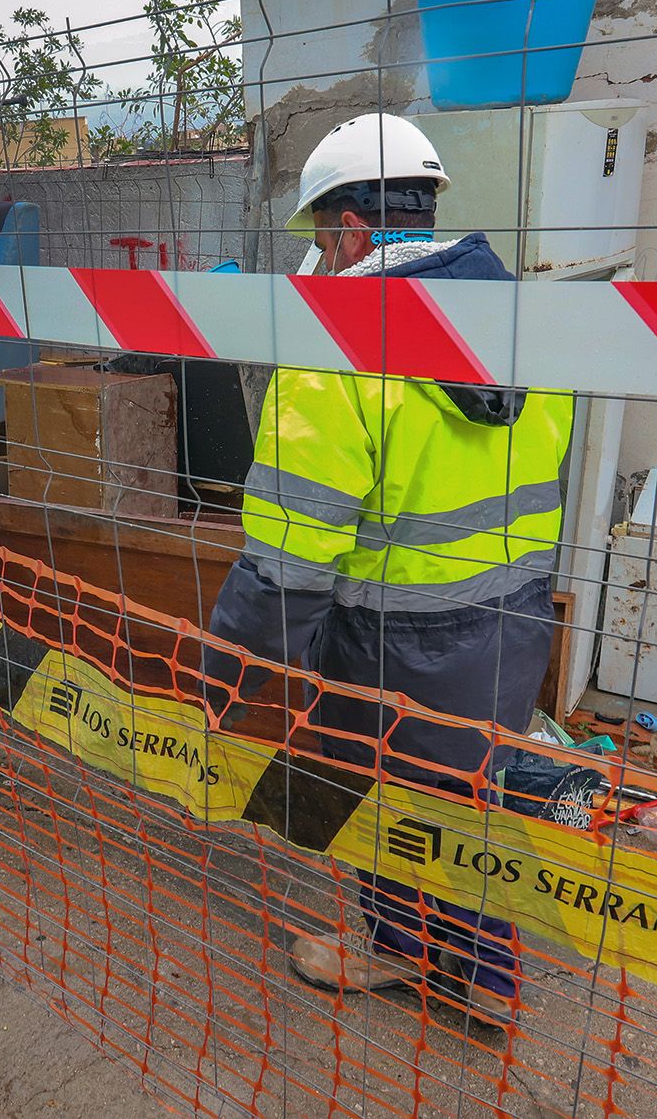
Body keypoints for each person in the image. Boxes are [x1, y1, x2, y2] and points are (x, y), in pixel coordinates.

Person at [204, 113, 573, 1029]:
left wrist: (219, 673)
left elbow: (289, 561)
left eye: (322, 239)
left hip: (393, 646)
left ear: (352, 229)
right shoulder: (527, 325)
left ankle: (404, 951)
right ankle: (487, 972)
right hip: (517, 624)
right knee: (471, 791)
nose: (321, 259)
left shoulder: (339, 353)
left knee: (393, 801)